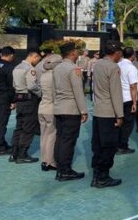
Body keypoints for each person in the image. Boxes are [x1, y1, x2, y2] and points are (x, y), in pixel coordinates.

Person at [91, 41, 124, 188]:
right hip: (109, 111)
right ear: (115, 52)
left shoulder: (97, 64)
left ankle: (97, 174)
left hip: (98, 110)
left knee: (98, 145)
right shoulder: (113, 67)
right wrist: (120, 115)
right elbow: (115, 93)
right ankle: (103, 177)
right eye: (120, 52)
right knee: (109, 146)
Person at [53, 42, 88, 181]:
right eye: (76, 51)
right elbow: (78, 91)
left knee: (60, 138)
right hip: (71, 109)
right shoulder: (74, 69)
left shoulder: (57, 68)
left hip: (59, 107)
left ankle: (60, 168)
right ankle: (65, 170)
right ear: (72, 53)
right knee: (69, 140)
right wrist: (83, 111)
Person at [10, 49, 42, 163]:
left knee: (19, 126)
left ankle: (14, 153)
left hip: (19, 98)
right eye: (38, 59)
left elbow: (14, 84)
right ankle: (22, 154)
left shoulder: (17, 67)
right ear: (34, 56)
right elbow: (32, 86)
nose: (38, 61)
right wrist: (40, 94)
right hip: (29, 99)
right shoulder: (30, 69)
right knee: (28, 127)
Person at [38, 54, 62, 172]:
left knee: (44, 135)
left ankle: (44, 160)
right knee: (52, 135)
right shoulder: (54, 75)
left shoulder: (44, 75)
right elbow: (55, 95)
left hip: (42, 107)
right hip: (51, 108)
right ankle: (50, 162)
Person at [117, 47, 138, 155]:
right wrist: (134, 103)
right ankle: (122, 145)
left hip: (118, 98)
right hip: (128, 98)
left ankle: (117, 144)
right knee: (128, 124)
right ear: (132, 55)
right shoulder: (131, 68)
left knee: (119, 122)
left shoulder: (118, 65)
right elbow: (133, 86)